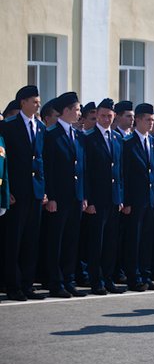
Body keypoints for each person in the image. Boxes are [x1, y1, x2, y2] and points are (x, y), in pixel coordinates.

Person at [0, 86, 46, 301]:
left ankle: (28, 284)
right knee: (14, 241)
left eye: (38, 101)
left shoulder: (40, 127)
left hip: (35, 192)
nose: (38, 105)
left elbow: (42, 161)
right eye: (34, 102)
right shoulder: (8, 126)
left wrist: (44, 190)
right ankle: (13, 285)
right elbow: (5, 162)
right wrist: (5, 190)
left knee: (31, 240)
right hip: (16, 192)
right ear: (23, 103)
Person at [42, 92, 86, 298]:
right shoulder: (50, 135)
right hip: (58, 198)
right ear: (66, 110)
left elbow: (81, 168)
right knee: (55, 242)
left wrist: (83, 195)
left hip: (75, 197)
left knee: (71, 240)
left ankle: (68, 279)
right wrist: (49, 196)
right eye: (76, 109)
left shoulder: (77, 135)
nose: (79, 113)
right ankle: (55, 281)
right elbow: (47, 169)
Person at [82, 98, 126, 295]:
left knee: (110, 242)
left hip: (113, 199)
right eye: (102, 116)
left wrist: (121, 197)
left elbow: (120, 171)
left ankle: (108, 278)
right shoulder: (88, 138)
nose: (106, 119)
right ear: (97, 116)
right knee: (96, 243)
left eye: (109, 116)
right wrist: (89, 200)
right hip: (97, 200)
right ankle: (96, 280)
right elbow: (85, 172)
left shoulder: (117, 139)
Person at [122, 103, 154, 292]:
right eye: (147, 120)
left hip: (149, 200)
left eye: (152, 120)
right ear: (137, 120)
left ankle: (145, 274)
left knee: (146, 240)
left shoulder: (152, 142)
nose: (150, 123)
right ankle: (133, 276)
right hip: (135, 200)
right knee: (133, 240)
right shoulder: (128, 143)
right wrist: (126, 201)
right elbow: (125, 174)